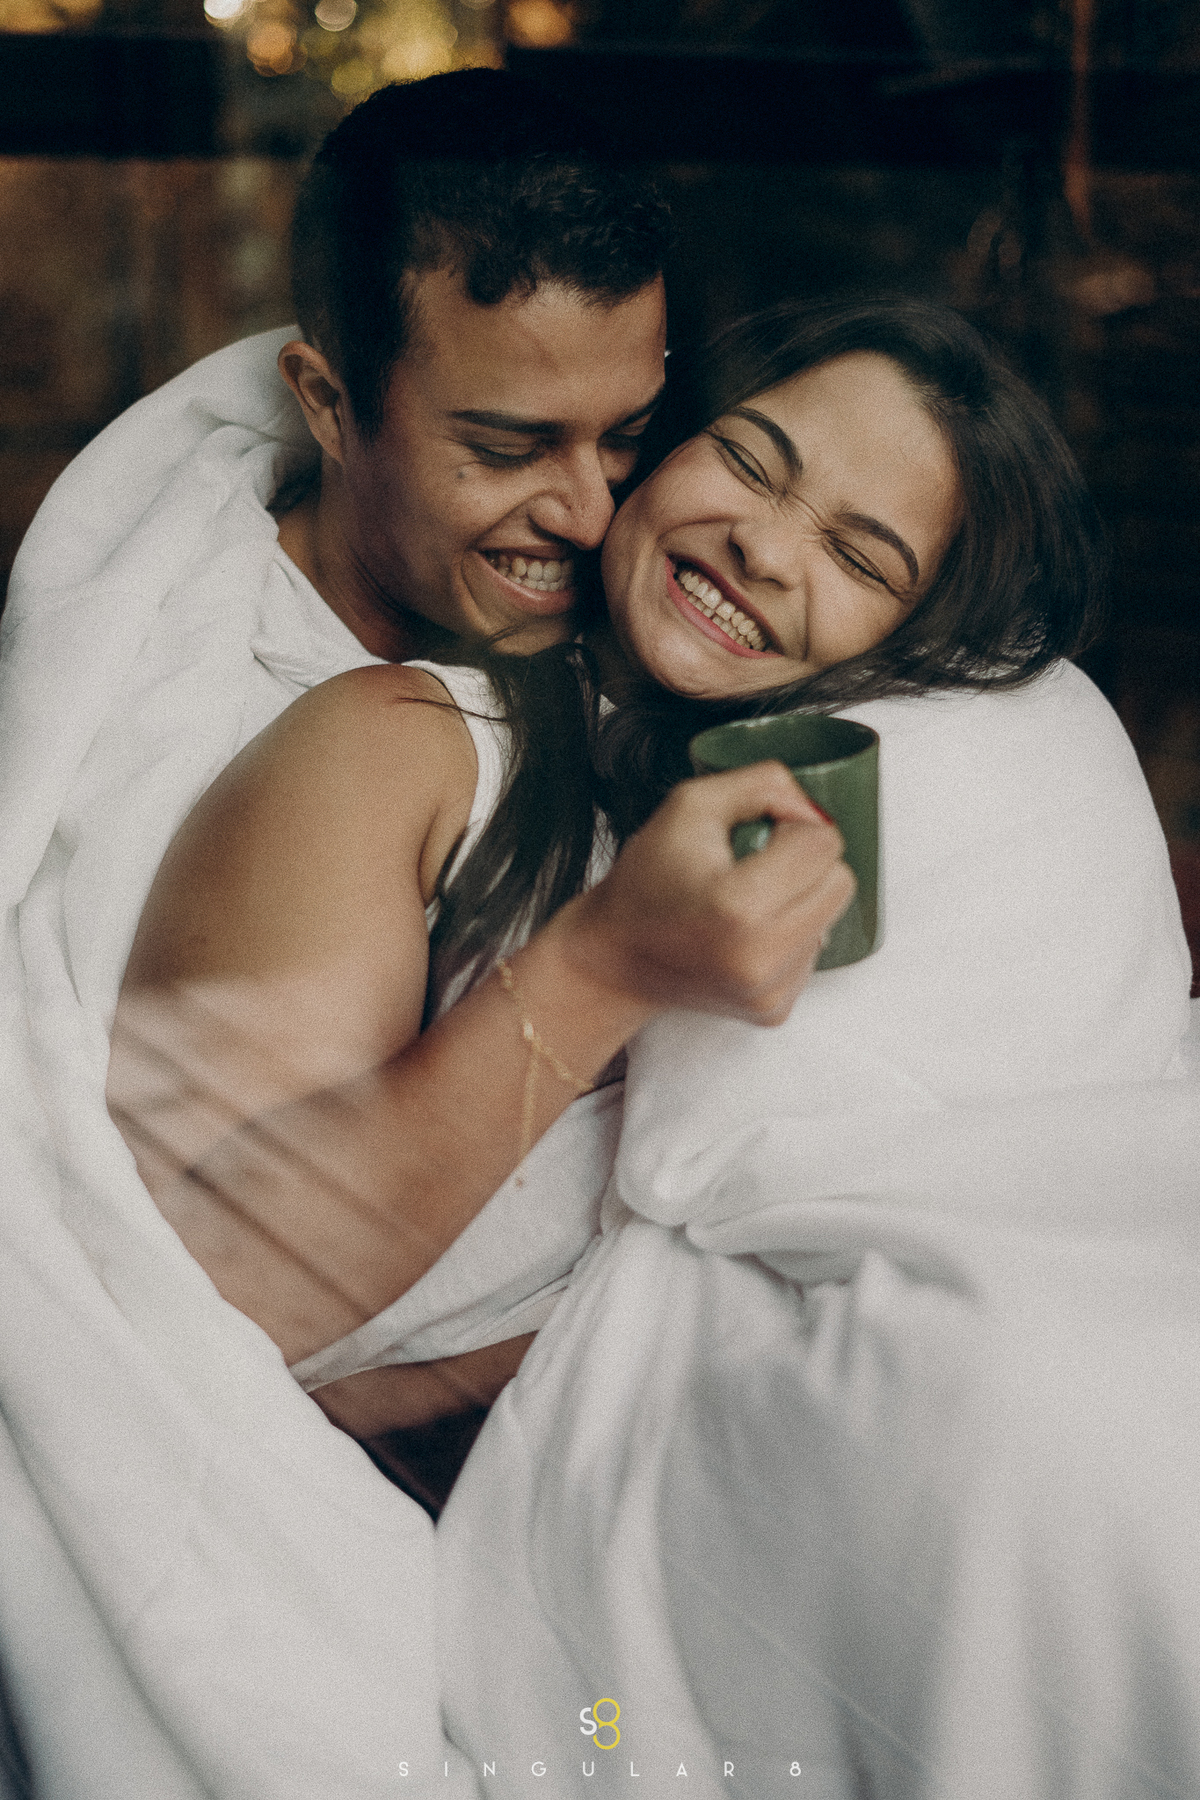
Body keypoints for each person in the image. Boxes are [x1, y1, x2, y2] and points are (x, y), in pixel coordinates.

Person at [431, 302, 1200, 1799]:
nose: (763, 548)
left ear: (915, 649)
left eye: (861, 558)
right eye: (754, 463)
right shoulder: (453, 725)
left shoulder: (868, 764)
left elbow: (756, 1131)